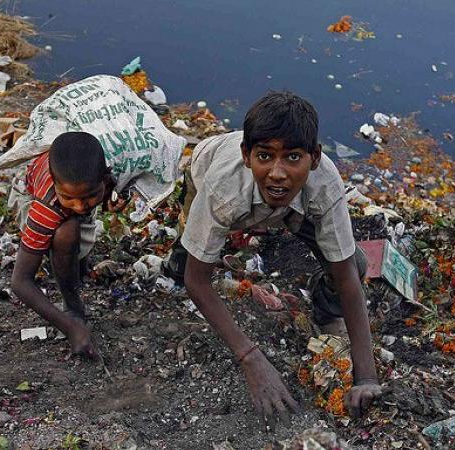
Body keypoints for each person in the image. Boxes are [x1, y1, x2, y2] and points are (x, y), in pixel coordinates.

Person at [163, 92, 386, 427]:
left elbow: (347, 279)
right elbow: (199, 282)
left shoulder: (324, 185)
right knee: (190, 261)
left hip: (294, 205)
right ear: (247, 155)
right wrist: (251, 358)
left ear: (314, 158)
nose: (278, 172)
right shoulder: (223, 189)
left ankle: (326, 309)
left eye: (293, 157)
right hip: (209, 170)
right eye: (265, 156)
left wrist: (366, 377)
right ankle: (175, 261)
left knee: (354, 263)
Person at [10, 132, 120, 360]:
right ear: (56, 185)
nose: (80, 206)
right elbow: (20, 282)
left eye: (90, 196)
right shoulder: (47, 208)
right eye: (68, 198)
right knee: (65, 234)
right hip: (28, 193)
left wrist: (110, 200)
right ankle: (72, 305)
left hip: (73, 192)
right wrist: (70, 327)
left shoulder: (103, 176)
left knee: (73, 228)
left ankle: (73, 265)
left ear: (104, 178)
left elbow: (92, 195)